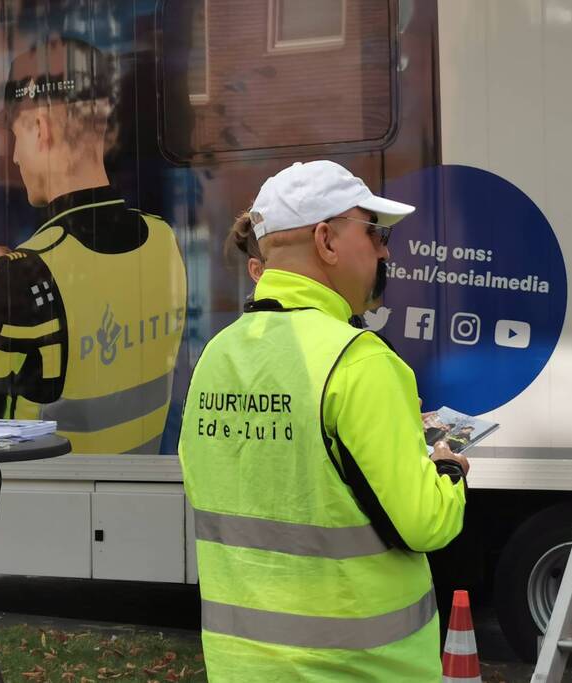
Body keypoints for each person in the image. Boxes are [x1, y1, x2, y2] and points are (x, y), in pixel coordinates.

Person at [179, 160, 468, 681]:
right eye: (375, 233)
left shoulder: (214, 358)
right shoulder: (361, 361)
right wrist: (446, 470)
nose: (384, 249)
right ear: (327, 241)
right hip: (363, 669)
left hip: (241, 667)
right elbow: (426, 522)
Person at [0, 32, 186, 454]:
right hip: (144, 494)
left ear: (40, 128)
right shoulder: (163, 238)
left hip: (51, 505)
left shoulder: (29, 274)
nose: (14, 157)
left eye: (15, 134)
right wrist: (17, 279)